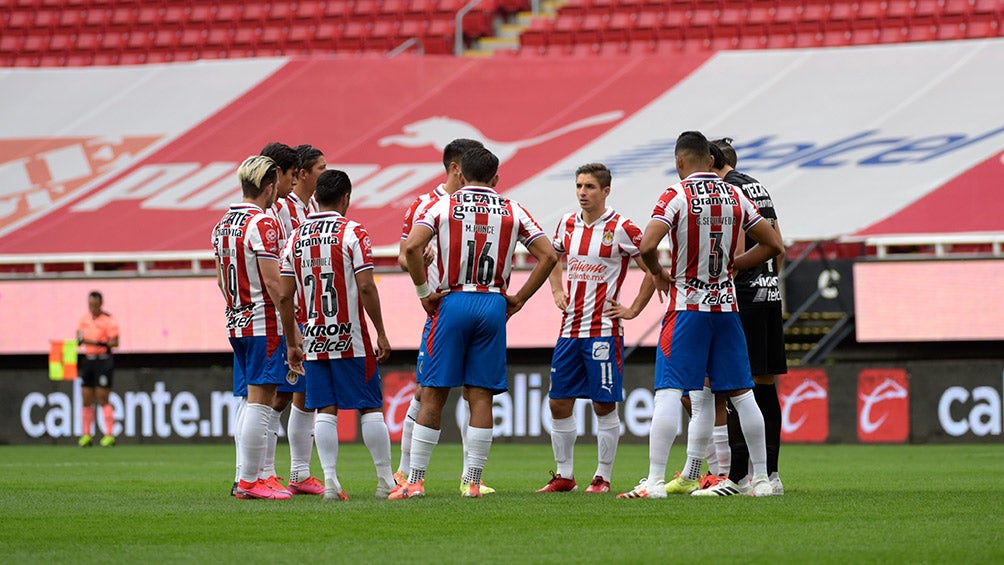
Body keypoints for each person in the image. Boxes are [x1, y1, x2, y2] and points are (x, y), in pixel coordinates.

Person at [616, 131, 783, 499]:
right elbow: (773, 245)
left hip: (687, 307)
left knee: (668, 393)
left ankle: (656, 482)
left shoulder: (675, 195)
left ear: (679, 162)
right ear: (710, 161)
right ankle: (760, 480)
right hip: (726, 307)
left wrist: (659, 273)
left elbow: (646, 245)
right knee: (743, 395)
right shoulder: (735, 194)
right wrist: (735, 264)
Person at [391, 147, 557, 499]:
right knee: (480, 396)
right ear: (496, 178)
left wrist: (424, 292)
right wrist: (521, 297)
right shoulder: (513, 209)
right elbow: (549, 255)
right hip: (493, 303)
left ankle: (415, 481)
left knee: (434, 392)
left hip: (452, 300)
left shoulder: (443, 205)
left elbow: (411, 248)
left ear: (461, 175)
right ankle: (473, 482)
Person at [277, 169, 397, 501]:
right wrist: (381, 332)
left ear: (315, 198)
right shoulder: (353, 232)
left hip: (314, 338)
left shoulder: (296, 237)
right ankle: (385, 481)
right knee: (370, 407)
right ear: (346, 198)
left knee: (324, 410)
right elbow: (365, 286)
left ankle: (331, 482)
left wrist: (292, 340)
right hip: (351, 337)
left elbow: (285, 296)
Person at [536, 163, 655, 495]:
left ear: (605, 191)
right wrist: (557, 290)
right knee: (559, 401)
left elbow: (653, 271)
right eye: (578, 186)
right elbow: (551, 259)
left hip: (603, 331)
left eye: (589, 187)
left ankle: (602, 477)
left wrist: (633, 309)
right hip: (569, 330)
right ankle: (564, 475)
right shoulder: (567, 223)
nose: (582, 193)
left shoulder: (622, 228)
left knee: (604, 404)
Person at [395, 137, 497, 496]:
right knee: (427, 390)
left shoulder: (484, 205)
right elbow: (403, 254)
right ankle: (406, 472)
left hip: (465, 304)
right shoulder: (426, 204)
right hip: (441, 306)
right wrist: (421, 278)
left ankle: (472, 478)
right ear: (457, 168)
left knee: (475, 392)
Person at [699, 137, 788, 496]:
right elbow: (779, 240)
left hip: (742, 296)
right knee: (765, 385)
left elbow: (732, 245)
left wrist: (730, 270)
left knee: (733, 385)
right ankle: (771, 475)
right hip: (769, 292)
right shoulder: (757, 185)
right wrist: (768, 279)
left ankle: (735, 476)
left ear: (710, 162)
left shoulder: (726, 192)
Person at [212, 155, 289, 500]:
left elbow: (219, 280)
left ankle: (246, 477)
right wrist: (294, 332)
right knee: (261, 401)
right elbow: (275, 285)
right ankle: (249, 482)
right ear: (268, 186)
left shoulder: (223, 224)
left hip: (236, 320)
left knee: (248, 401)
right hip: (263, 323)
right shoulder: (263, 224)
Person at [256, 142, 325, 497]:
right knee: (276, 396)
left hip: (308, 312)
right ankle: (263, 471)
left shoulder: (311, 207)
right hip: (289, 313)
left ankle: (299, 472)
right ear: (301, 173)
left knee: (303, 394)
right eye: (319, 169)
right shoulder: (281, 209)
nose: (323, 175)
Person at [76, 291, 119, 448]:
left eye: (95, 304)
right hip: (88, 360)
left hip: (103, 360)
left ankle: (109, 435)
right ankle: (86, 435)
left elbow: (114, 342)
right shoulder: (84, 320)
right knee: (86, 398)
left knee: (102, 397)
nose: (92, 307)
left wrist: (94, 342)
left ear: (101, 304)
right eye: (90, 304)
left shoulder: (109, 320)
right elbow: (79, 339)